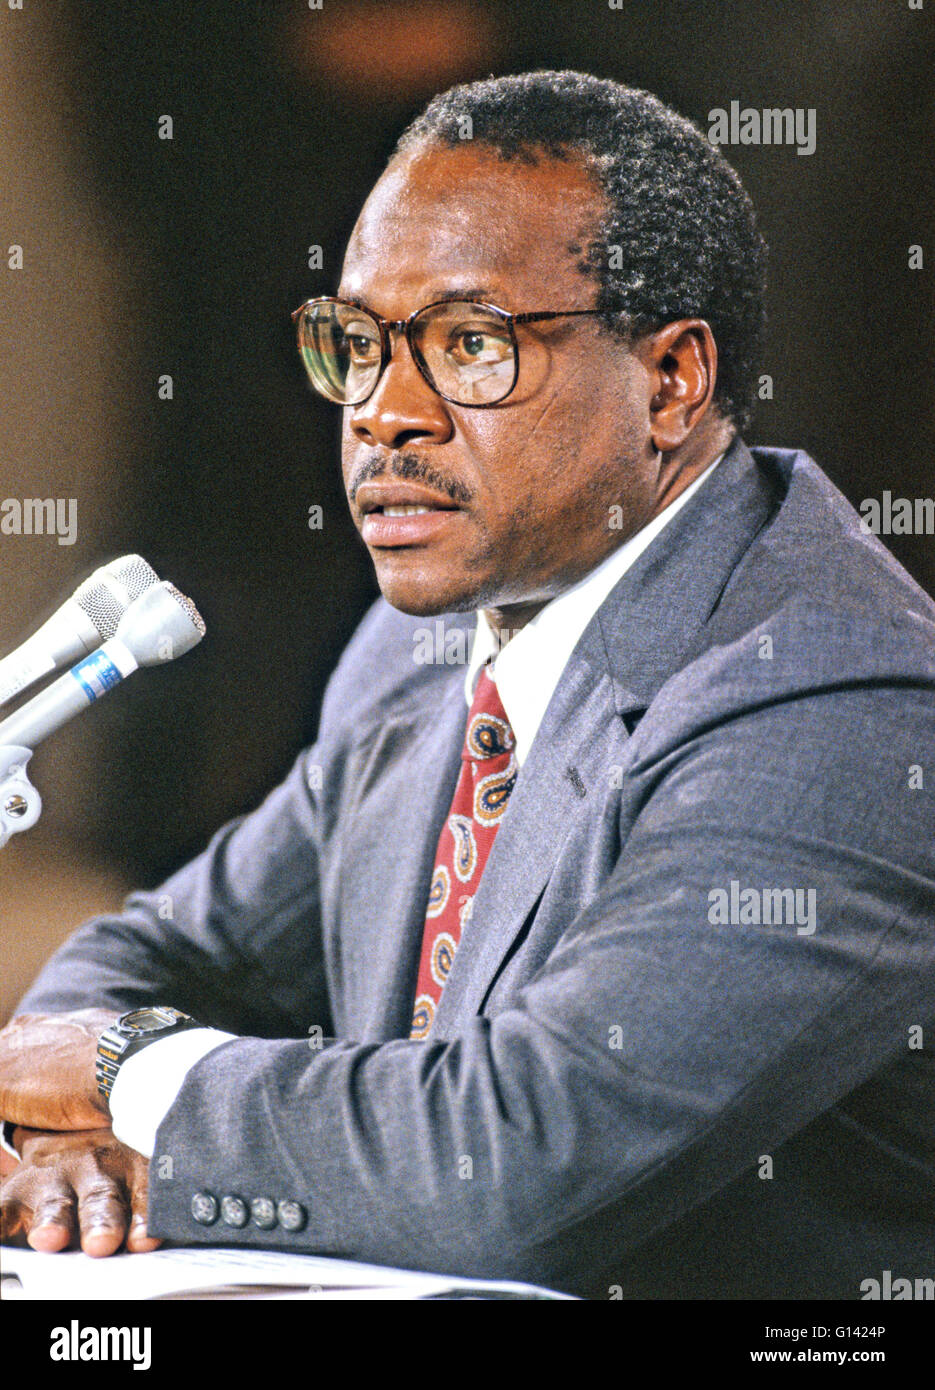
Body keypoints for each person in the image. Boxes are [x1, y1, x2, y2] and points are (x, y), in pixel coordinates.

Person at [1, 71, 933, 1301]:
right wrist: (77, 1149)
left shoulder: (836, 697)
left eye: (470, 345)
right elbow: (169, 949)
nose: (382, 415)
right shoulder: (426, 647)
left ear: (669, 382)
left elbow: (516, 1161)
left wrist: (132, 1078)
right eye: (359, 345)